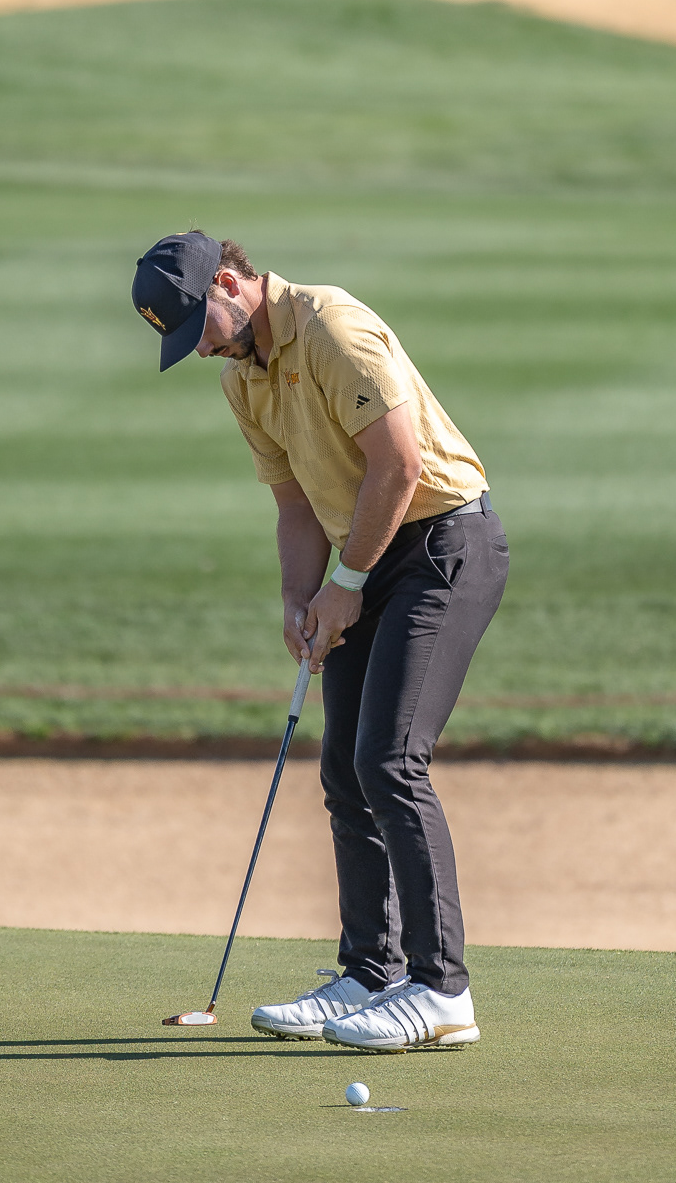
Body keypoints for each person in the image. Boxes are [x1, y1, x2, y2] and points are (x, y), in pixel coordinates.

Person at [131, 230, 509, 1052]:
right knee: (345, 769)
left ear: (229, 281)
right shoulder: (244, 378)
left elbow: (399, 467)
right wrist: (299, 599)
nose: (202, 349)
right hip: (362, 555)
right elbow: (296, 504)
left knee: (390, 761)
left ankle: (442, 991)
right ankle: (370, 972)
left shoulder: (333, 327)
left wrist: (347, 583)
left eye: (200, 326)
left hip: (442, 546)